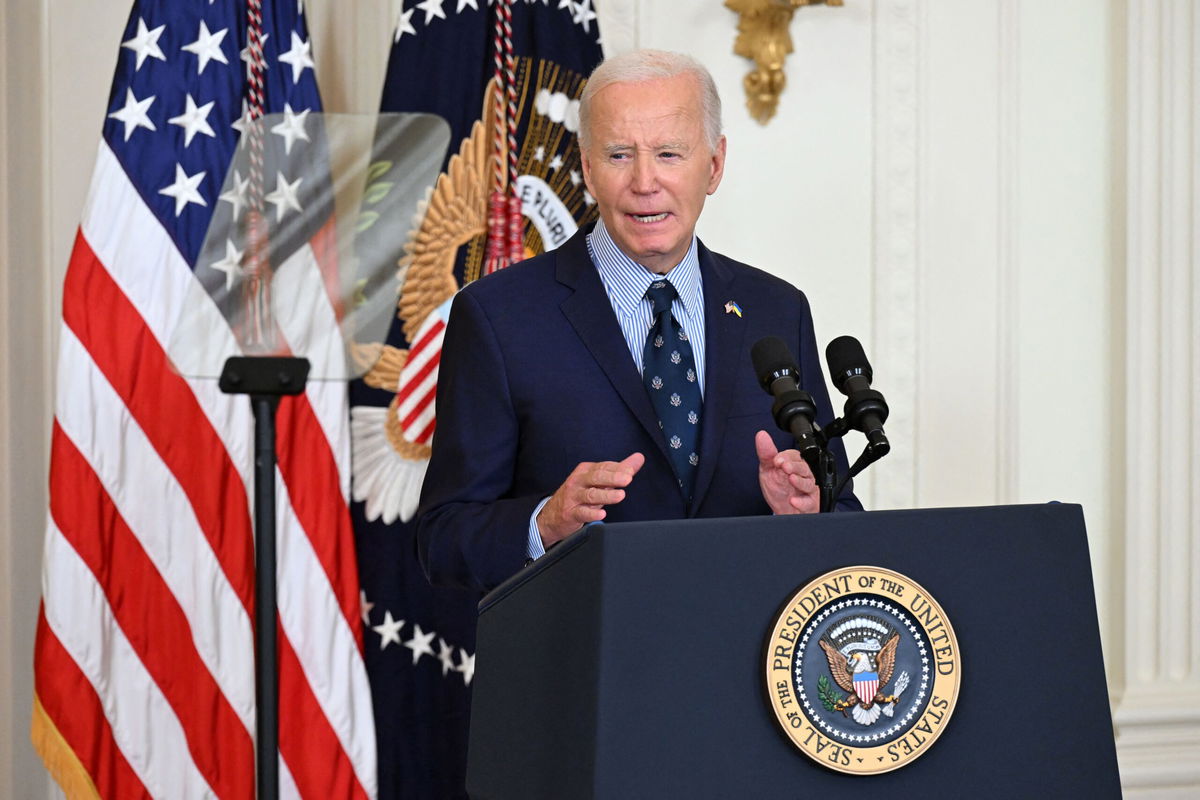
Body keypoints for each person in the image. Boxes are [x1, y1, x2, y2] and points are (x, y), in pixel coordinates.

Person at [416, 50, 861, 593]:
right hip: (585, 665)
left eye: (670, 154)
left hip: (744, 661)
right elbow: (441, 541)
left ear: (715, 165)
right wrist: (545, 523)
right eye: (619, 155)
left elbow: (842, 510)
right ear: (586, 167)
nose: (645, 181)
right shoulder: (498, 317)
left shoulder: (777, 310)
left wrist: (808, 514)